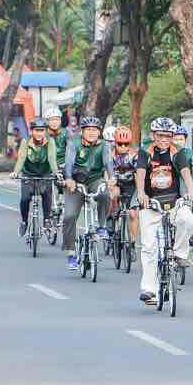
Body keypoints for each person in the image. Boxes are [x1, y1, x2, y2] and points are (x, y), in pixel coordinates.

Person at [135, 117, 193, 304]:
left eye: (168, 136)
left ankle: (179, 254)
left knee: (188, 220)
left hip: (174, 202)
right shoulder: (145, 152)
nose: (163, 139)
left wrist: (191, 191)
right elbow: (140, 173)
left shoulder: (178, 152)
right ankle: (149, 289)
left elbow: (185, 172)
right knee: (149, 247)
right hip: (151, 203)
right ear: (153, 135)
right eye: (160, 135)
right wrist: (141, 193)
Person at [63, 116, 108, 271]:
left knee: (105, 193)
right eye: (88, 129)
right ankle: (70, 253)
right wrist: (69, 179)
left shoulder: (104, 146)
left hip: (95, 180)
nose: (91, 132)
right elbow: (69, 163)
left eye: (94, 130)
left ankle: (102, 226)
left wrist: (112, 178)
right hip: (76, 182)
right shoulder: (73, 143)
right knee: (69, 216)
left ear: (99, 132)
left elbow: (108, 163)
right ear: (82, 131)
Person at [14, 117, 62, 238]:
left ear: (45, 131)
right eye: (36, 130)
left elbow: (51, 158)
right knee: (25, 199)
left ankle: (46, 220)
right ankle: (24, 222)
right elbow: (21, 158)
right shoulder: (25, 142)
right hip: (28, 175)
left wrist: (56, 172)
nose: (39, 133)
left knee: (47, 194)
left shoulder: (50, 142)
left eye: (42, 130)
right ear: (31, 131)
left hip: (44, 175)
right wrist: (15, 172)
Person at [107, 124, 139, 248]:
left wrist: (140, 192)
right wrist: (109, 183)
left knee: (132, 214)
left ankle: (132, 243)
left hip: (131, 184)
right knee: (113, 194)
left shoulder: (134, 155)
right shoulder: (110, 155)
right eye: (120, 144)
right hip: (116, 183)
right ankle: (112, 216)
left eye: (126, 144)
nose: (123, 147)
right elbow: (106, 171)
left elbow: (138, 174)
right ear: (115, 143)